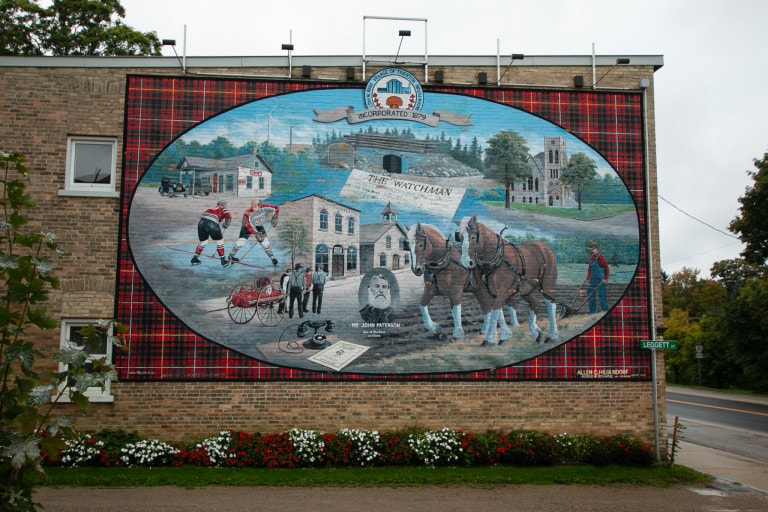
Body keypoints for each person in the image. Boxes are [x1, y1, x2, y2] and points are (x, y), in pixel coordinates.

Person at [227, 198, 279, 266]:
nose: (253, 208)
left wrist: (275, 217)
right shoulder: (247, 213)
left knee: (265, 243)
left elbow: (276, 208)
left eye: (255, 207)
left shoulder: (265, 206)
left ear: (260, 206)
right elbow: (248, 225)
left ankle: (272, 258)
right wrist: (256, 233)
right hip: (246, 227)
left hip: (259, 226)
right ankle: (231, 256)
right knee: (241, 242)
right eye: (252, 206)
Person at [191, 199, 232, 267]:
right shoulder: (223, 208)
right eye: (226, 204)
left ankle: (194, 258)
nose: (226, 206)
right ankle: (223, 261)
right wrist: (226, 224)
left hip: (201, 223)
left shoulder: (210, 209)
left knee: (203, 241)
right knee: (220, 242)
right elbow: (228, 216)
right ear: (223, 205)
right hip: (212, 223)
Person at [584, 241, 610, 313]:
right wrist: (587, 279)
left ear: (595, 248)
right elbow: (589, 269)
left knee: (602, 296)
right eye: (590, 249)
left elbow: (607, 269)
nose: (591, 250)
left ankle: (604, 312)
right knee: (590, 295)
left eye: (592, 249)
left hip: (600, 280)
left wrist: (605, 278)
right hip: (592, 280)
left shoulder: (601, 257)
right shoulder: (591, 258)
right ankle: (593, 312)